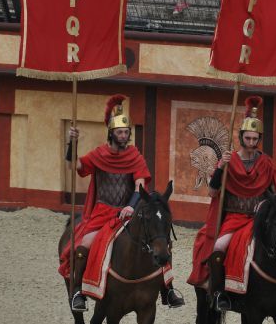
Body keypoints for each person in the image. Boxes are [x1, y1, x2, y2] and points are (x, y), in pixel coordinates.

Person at [59, 94, 184, 311]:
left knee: (160, 241)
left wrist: (131, 206)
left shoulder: (134, 156)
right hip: (101, 214)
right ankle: (78, 292)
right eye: (120, 132)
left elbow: (140, 184)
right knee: (82, 247)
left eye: (127, 132)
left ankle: (168, 289)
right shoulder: (99, 155)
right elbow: (75, 166)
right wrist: (72, 142)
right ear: (111, 133)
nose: (124, 136)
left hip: (129, 213)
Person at [187, 96, 276, 312]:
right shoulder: (228, 161)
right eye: (248, 138)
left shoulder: (267, 164)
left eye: (255, 138)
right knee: (219, 247)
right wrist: (220, 168)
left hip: (260, 220)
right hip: (234, 219)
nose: (252, 143)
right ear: (241, 137)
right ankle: (219, 292)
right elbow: (213, 191)